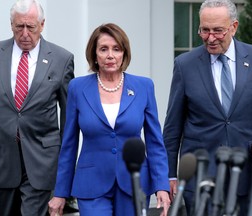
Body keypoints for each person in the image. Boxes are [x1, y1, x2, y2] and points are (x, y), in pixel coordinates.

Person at [48, 23, 171, 216]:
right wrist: (61, 192)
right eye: (103, 49)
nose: (110, 55)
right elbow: (69, 144)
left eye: (116, 49)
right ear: (94, 54)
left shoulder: (144, 87)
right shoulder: (77, 88)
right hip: (91, 184)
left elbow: (155, 142)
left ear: (124, 53)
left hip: (134, 182)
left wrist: (161, 185)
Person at [0, 0, 74, 215]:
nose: (25, 33)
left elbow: (69, 117)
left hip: (41, 160)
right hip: (1, 159)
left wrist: (64, 165)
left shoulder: (62, 59)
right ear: (11, 25)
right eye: (19, 27)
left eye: (31, 27)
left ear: (42, 25)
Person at [163, 0, 252, 215]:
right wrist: (169, 175)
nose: (210, 38)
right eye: (204, 30)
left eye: (218, 31)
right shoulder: (185, 64)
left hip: (248, 175)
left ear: (234, 27)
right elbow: (172, 127)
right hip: (200, 178)